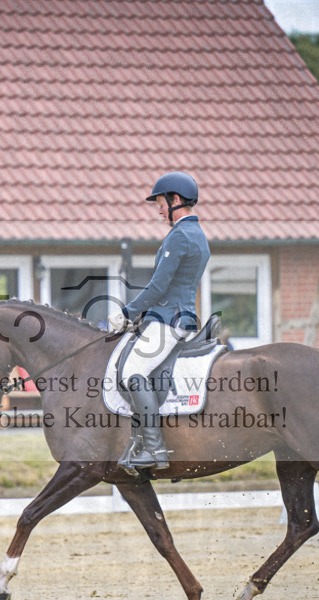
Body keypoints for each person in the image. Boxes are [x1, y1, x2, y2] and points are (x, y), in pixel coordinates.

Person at [107, 172, 210, 474]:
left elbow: (158, 287)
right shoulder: (197, 234)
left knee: (132, 370)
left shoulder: (179, 236)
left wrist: (127, 312)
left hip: (169, 318)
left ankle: (154, 448)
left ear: (175, 200)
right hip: (177, 315)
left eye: (161, 203)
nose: (159, 209)